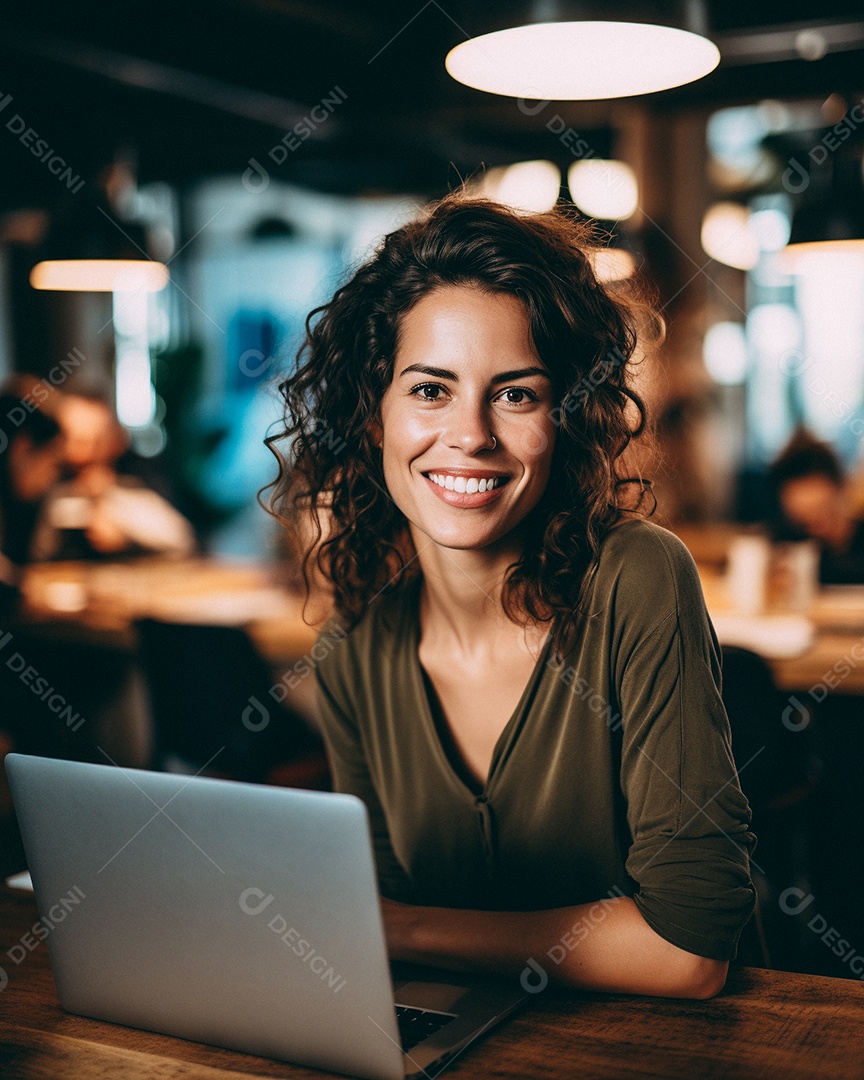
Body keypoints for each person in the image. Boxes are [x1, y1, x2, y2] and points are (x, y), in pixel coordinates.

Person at [266, 195, 756, 999]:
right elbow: (386, 941)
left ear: (566, 417)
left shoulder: (637, 578)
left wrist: (403, 929)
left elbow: (689, 951)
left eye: (516, 394)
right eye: (430, 390)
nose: (471, 435)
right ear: (374, 416)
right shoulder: (356, 651)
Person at [31, 393, 196, 560]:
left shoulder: (138, 476)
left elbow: (182, 539)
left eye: (92, 441)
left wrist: (125, 534)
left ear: (115, 440)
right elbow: (37, 553)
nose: (76, 452)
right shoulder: (50, 482)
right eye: (68, 438)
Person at [769, 428, 864, 584]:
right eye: (803, 520)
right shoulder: (787, 541)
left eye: (824, 510)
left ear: (842, 486)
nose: (815, 526)